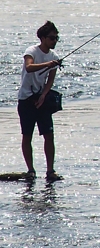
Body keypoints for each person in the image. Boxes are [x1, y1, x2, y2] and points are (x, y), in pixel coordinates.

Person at [18, 21, 62, 182]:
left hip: (41, 99)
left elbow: (50, 79)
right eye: (51, 38)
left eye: (56, 38)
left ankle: (50, 171)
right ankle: (30, 170)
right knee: (27, 135)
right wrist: (48, 64)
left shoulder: (54, 57)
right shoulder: (31, 51)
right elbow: (29, 67)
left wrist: (44, 94)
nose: (54, 41)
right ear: (43, 38)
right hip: (26, 99)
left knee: (49, 135)